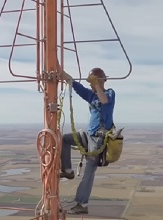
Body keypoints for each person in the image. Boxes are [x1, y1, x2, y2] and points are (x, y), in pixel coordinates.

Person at [60, 68, 115, 214]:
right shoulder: (91, 96)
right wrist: (60, 71)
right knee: (64, 139)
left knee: (88, 172)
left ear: (102, 80)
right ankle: (67, 170)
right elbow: (74, 84)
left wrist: (97, 84)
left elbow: (104, 101)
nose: (91, 84)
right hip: (88, 136)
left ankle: (82, 204)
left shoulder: (109, 93)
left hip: (98, 139)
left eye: (94, 80)